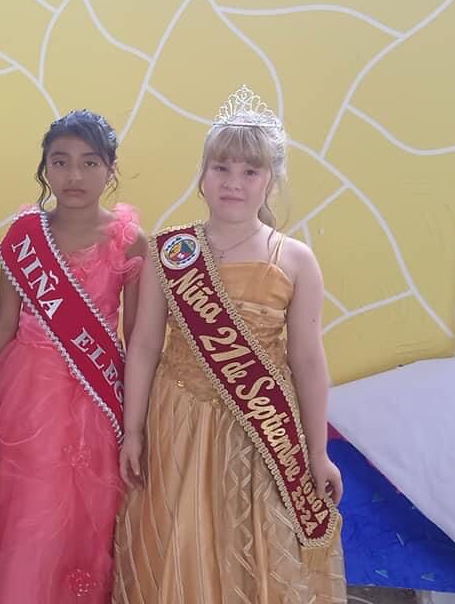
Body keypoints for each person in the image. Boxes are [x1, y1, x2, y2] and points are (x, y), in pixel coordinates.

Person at [112, 86, 346, 603]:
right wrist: (133, 431)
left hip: (262, 429)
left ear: (271, 180)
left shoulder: (296, 259)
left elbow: (308, 360)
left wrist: (317, 451)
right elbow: (145, 345)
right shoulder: (171, 251)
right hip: (178, 419)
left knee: (258, 540)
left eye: (250, 170)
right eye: (221, 167)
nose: (233, 182)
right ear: (203, 174)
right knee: (180, 539)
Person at [0, 110, 147, 603]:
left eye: (89, 162)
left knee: (90, 511)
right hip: (27, 391)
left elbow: (137, 338)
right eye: (61, 161)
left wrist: (139, 418)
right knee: (24, 509)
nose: (74, 175)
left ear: (110, 169)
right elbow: (4, 322)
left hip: (97, 397)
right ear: (45, 168)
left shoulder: (130, 241)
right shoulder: (23, 236)